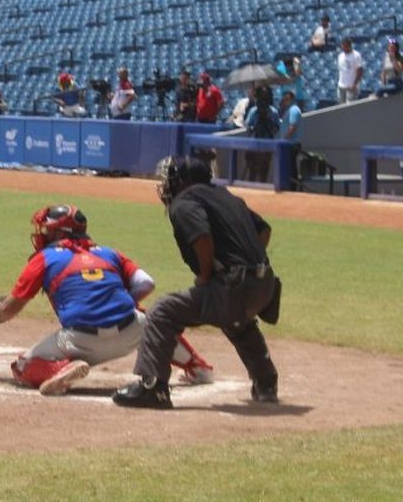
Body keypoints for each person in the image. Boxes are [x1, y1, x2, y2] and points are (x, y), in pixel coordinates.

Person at [0, 205, 213, 396]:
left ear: (58, 232)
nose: (42, 234)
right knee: (151, 320)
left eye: (47, 229)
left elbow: (10, 309)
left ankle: (61, 369)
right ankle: (197, 367)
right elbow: (146, 283)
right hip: (131, 332)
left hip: (80, 342)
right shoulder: (109, 252)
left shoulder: (43, 258)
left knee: (21, 366)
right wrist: (120, 301)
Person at [113, 156, 281, 409]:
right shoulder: (226, 196)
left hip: (234, 286)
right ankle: (266, 382)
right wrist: (250, 262)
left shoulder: (185, 201)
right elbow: (264, 230)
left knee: (162, 312)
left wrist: (205, 275)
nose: (166, 184)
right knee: (236, 319)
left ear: (182, 181)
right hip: (265, 284)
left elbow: (202, 238)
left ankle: (152, 387)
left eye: (170, 178)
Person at [243, 86, 279, 182]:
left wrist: (267, 121)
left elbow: (276, 128)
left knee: (264, 169)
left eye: (265, 97)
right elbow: (247, 126)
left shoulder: (273, 112)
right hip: (254, 143)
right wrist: (254, 127)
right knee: (252, 169)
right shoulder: (253, 111)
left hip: (267, 143)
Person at [278, 90, 303, 181]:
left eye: (287, 99)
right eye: (284, 99)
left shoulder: (294, 110)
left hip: (292, 144)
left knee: (291, 167)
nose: (285, 101)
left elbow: (292, 127)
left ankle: (293, 187)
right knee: (288, 167)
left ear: (292, 99)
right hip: (289, 143)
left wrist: (283, 139)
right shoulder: (288, 110)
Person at [337, 38, 364, 104]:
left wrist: (354, 84)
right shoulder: (340, 56)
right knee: (340, 106)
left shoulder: (356, 55)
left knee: (350, 107)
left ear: (349, 46)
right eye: (342, 46)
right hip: (341, 85)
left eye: (345, 46)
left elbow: (360, 71)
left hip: (351, 86)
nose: (343, 48)